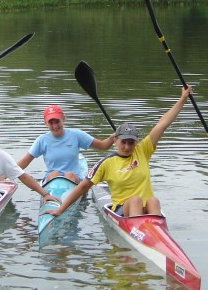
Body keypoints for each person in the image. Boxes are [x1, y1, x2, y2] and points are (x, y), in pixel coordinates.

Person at [44, 86, 192, 218]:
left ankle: (155, 236)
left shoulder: (143, 150)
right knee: (135, 200)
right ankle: (138, 235)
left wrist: (183, 99)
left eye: (131, 143)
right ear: (115, 141)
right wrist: (60, 210)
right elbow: (82, 187)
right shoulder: (106, 164)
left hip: (148, 210)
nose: (127, 147)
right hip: (124, 210)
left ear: (137, 143)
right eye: (123, 142)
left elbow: (163, 124)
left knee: (153, 200)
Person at [17, 104, 116, 183]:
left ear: (63, 119)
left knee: (69, 175)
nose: (55, 126)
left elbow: (103, 146)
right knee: (55, 174)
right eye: (51, 123)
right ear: (45, 123)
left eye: (57, 121)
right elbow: (24, 162)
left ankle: (66, 201)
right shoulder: (42, 140)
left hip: (74, 179)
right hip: (52, 180)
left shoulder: (77, 135)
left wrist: (113, 138)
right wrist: (5, 175)